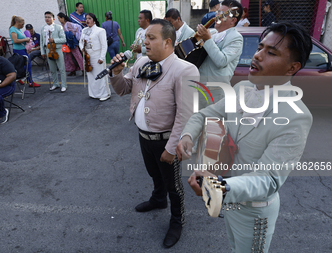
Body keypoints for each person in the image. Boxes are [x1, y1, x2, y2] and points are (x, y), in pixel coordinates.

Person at [176, 22, 313, 253]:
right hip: (228, 201)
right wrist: (188, 135)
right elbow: (203, 114)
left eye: (271, 53)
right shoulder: (242, 90)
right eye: (260, 48)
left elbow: (268, 180)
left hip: (254, 211)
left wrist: (219, 187)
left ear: (292, 68)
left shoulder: (295, 115)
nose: (258, 56)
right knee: (233, 246)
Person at [109, 19, 200, 248]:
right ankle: (158, 200)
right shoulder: (141, 62)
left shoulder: (185, 70)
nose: (144, 41)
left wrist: (171, 148)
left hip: (166, 140)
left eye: (151, 38)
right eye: (144, 37)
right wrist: (116, 74)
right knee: (153, 173)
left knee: (174, 185)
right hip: (144, 136)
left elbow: (185, 114)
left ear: (168, 42)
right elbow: (123, 89)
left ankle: (177, 221)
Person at [196, 0, 243, 101]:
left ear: (233, 20)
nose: (216, 16)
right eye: (217, 12)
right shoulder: (212, 33)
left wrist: (207, 39)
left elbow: (221, 61)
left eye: (221, 14)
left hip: (216, 92)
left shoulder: (236, 38)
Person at [79, 13, 110, 101]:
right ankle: (94, 93)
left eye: (89, 18)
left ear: (94, 20)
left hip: (97, 55)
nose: (87, 20)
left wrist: (102, 57)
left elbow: (104, 45)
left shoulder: (100, 30)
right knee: (91, 75)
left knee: (100, 75)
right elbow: (80, 42)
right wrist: (82, 49)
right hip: (87, 56)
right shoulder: (84, 30)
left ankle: (105, 94)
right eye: (86, 18)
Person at [9, 16, 40, 87]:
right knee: (27, 64)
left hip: (23, 49)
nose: (23, 26)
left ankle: (22, 77)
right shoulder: (12, 29)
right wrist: (26, 39)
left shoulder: (18, 29)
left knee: (25, 64)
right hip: (18, 49)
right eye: (22, 24)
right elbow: (15, 40)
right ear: (17, 22)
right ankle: (29, 81)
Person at [40, 11, 67, 92]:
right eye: (46, 17)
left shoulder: (58, 27)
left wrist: (54, 40)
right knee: (52, 69)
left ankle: (64, 85)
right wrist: (42, 52)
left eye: (49, 17)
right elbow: (41, 41)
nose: (47, 19)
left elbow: (63, 39)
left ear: (53, 18)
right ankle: (55, 84)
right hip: (48, 50)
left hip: (57, 49)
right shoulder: (43, 28)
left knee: (61, 68)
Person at [0, 43, 16, 124]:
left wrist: (2, 85)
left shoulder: (2, 61)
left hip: (5, 85)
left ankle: (2, 113)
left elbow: (12, 75)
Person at [57, 13, 84, 77]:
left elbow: (73, 33)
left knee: (78, 56)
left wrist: (66, 35)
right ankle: (72, 70)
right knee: (68, 58)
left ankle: (83, 69)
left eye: (59, 18)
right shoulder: (62, 25)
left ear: (62, 18)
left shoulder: (68, 24)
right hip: (66, 44)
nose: (59, 20)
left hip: (72, 43)